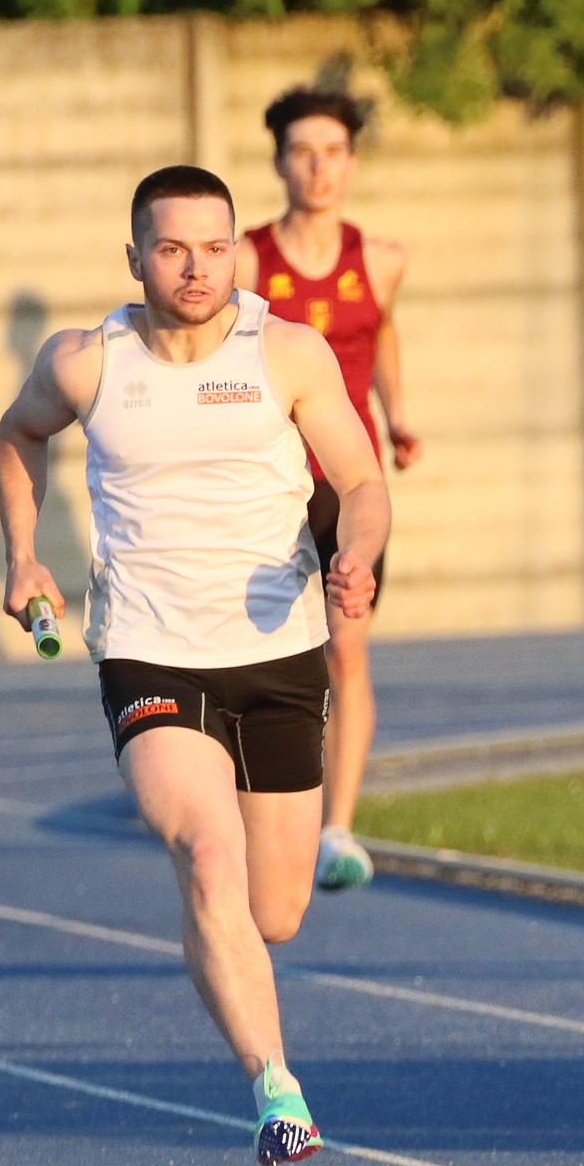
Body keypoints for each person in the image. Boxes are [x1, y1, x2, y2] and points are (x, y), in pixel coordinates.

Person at [0, 165, 387, 1166]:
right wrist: (23, 555)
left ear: (237, 251)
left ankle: (216, 932)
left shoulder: (285, 352)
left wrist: (355, 552)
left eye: (214, 247)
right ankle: (277, 1088)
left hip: (279, 654)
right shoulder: (86, 361)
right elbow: (18, 435)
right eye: (173, 249)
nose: (196, 267)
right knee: (212, 856)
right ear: (135, 259)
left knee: (273, 913)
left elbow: (359, 479)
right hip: (149, 651)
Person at [235, 86, 415, 894]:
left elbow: (382, 331)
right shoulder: (245, 262)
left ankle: (337, 828)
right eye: (303, 152)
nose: (319, 167)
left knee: (345, 646)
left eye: (333, 152)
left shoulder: (380, 259)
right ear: (279, 162)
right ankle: (261, 810)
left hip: (348, 485)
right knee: (262, 657)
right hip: (267, 487)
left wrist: (397, 414)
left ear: (351, 162)